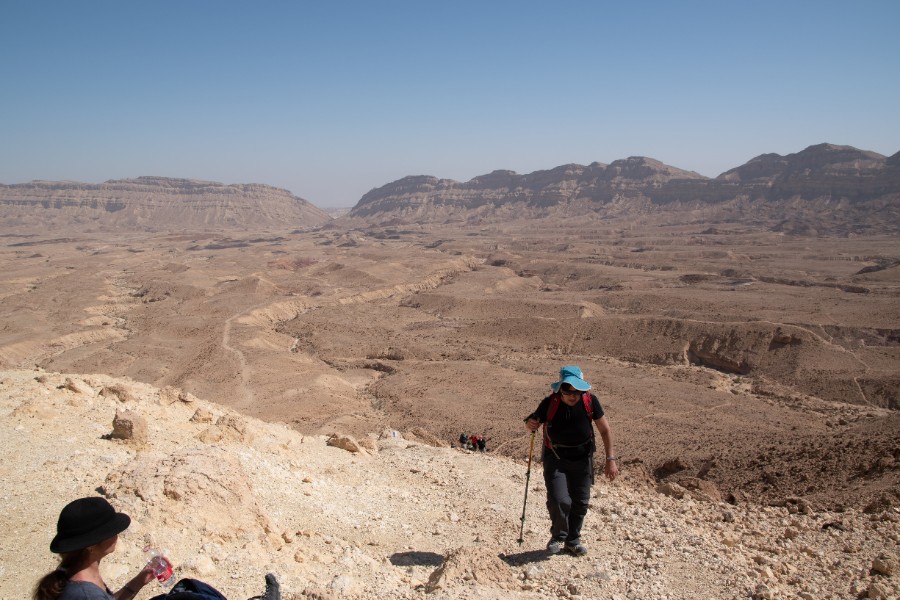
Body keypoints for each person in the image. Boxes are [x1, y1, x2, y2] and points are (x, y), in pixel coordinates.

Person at [34, 496, 280, 600]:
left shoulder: (78, 575)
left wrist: (140, 580)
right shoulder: (84, 594)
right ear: (91, 546)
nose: (116, 534)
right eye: (110, 531)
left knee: (188, 589)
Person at [524, 365, 618, 557]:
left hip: (583, 459)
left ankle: (573, 541)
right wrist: (530, 423)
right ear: (560, 389)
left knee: (580, 502)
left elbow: (605, 430)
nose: (573, 395)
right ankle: (558, 535)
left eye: (578, 391)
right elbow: (533, 421)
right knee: (559, 500)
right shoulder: (550, 402)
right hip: (556, 458)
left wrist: (610, 459)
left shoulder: (590, 401)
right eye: (568, 391)